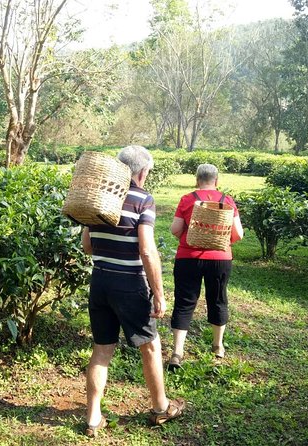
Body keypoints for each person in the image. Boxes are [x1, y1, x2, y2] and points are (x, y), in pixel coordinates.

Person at [81, 145, 185, 438]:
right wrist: (159, 293)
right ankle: (161, 407)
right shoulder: (143, 199)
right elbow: (148, 250)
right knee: (150, 346)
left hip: (100, 281)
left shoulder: (100, 198)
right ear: (142, 172)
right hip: (129, 284)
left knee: (102, 350)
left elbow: (87, 246)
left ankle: (92, 418)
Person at [168, 163, 244, 370]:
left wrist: (187, 239)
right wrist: (220, 243)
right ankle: (218, 347)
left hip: (188, 257)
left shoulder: (187, 199)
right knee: (218, 299)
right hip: (220, 258)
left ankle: (177, 352)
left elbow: (175, 229)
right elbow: (238, 234)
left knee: (184, 302)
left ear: (197, 179)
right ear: (216, 181)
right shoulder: (227, 200)